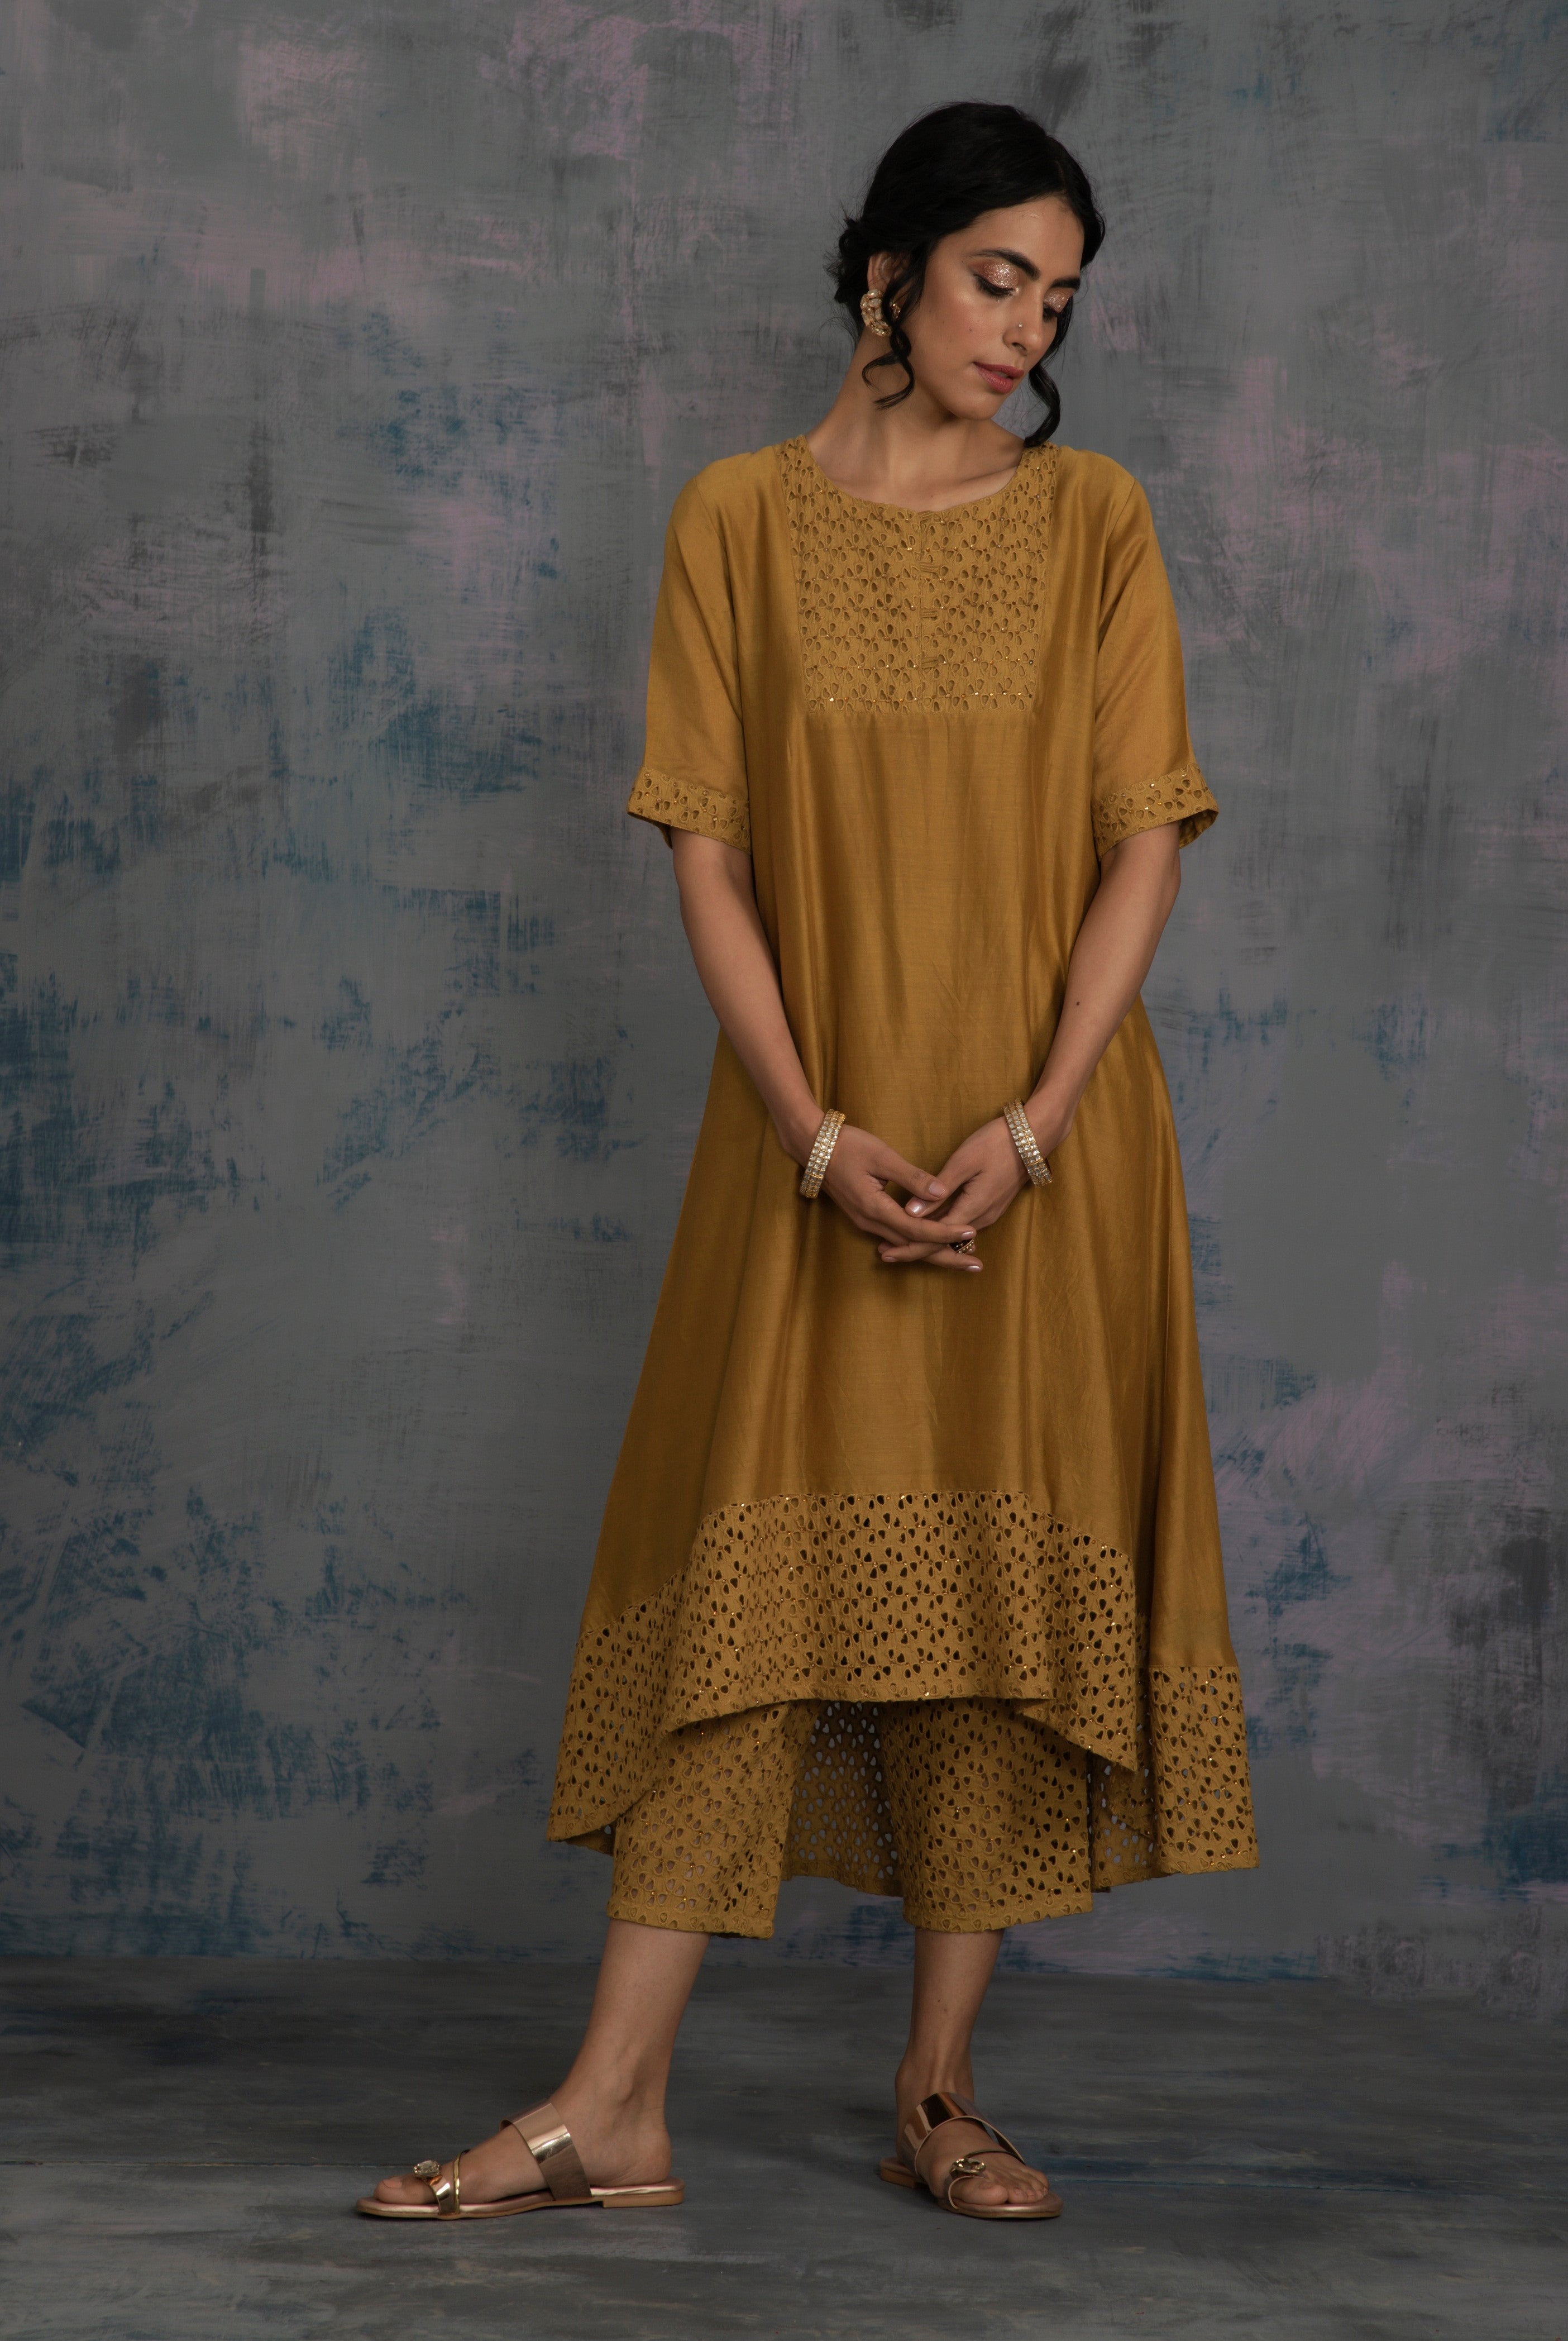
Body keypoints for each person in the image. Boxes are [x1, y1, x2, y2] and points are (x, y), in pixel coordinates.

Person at [360, 98, 1258, 2231]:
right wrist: (818, 1133)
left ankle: (940, 2093)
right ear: (888, 272)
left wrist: (1032, 1128)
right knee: (742, 1612)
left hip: (1046, 1152)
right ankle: (612, 2107)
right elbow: (709, 852)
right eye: (997, 277)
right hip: (814, 1147)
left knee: (995, 1608)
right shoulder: (736, 522)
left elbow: (1145, 842)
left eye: (1059, 298)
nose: (1026, 327)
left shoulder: (1096, 519)